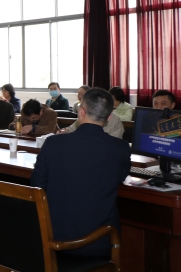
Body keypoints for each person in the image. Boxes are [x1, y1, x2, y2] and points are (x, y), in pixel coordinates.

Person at [31, 88, 131, 258]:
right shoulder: (120, 148)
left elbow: (36, 184)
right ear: (108, 117)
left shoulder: (53, 144)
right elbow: (120, 178)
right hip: (99, 241)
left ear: (81, 112)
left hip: (53, 239)